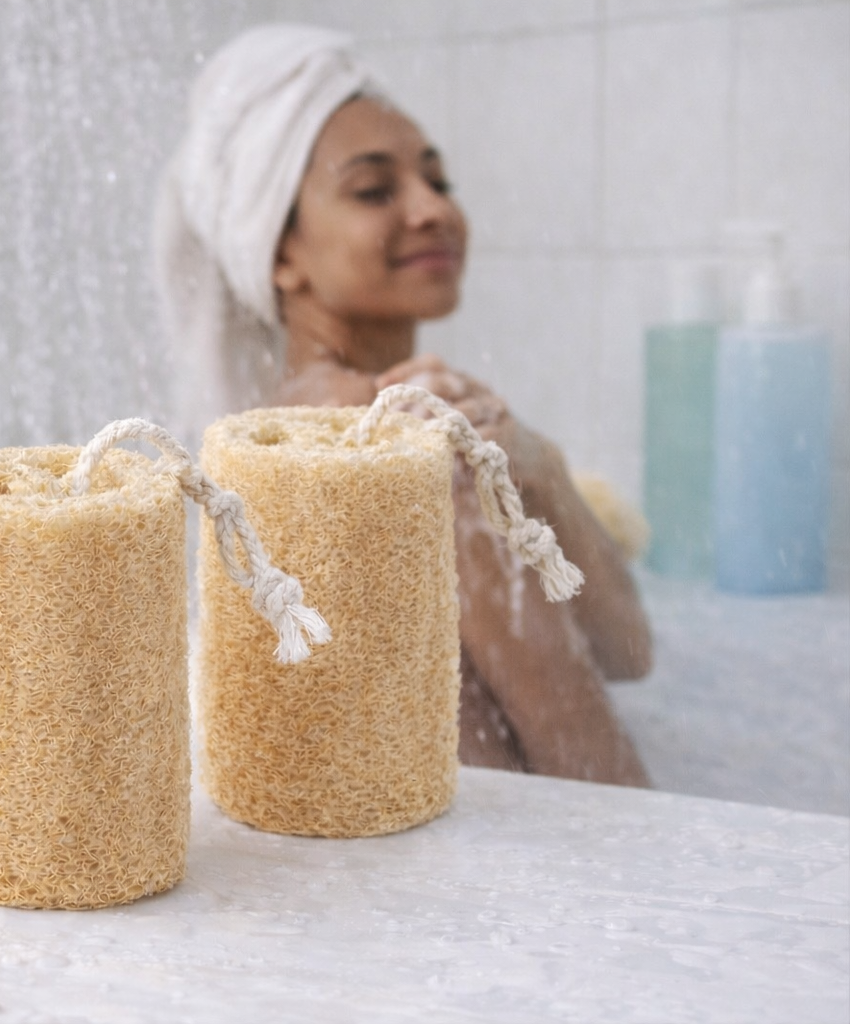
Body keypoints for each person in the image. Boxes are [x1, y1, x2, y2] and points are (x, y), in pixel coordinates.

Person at [155, 24, 651, 787]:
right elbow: (594, 772)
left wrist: (535, 460)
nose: (430, 210)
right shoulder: (392, 448)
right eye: (374, 190)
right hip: (481, 862)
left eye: (438, 181)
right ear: (280, 253)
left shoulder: (297, 426)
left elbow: (626, 657)